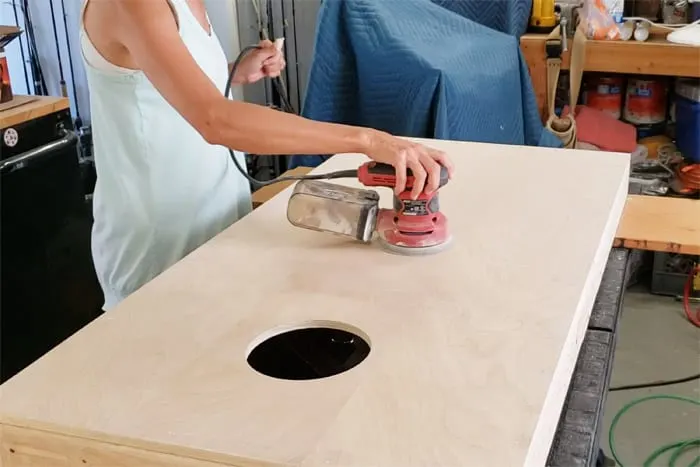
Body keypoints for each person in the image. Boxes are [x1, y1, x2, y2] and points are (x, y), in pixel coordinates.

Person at [80, 0, 455, 311]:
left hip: (219, 228)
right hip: (158, 250)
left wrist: (232, 73)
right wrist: (367, 139)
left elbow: (165, 83)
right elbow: (215, 120)